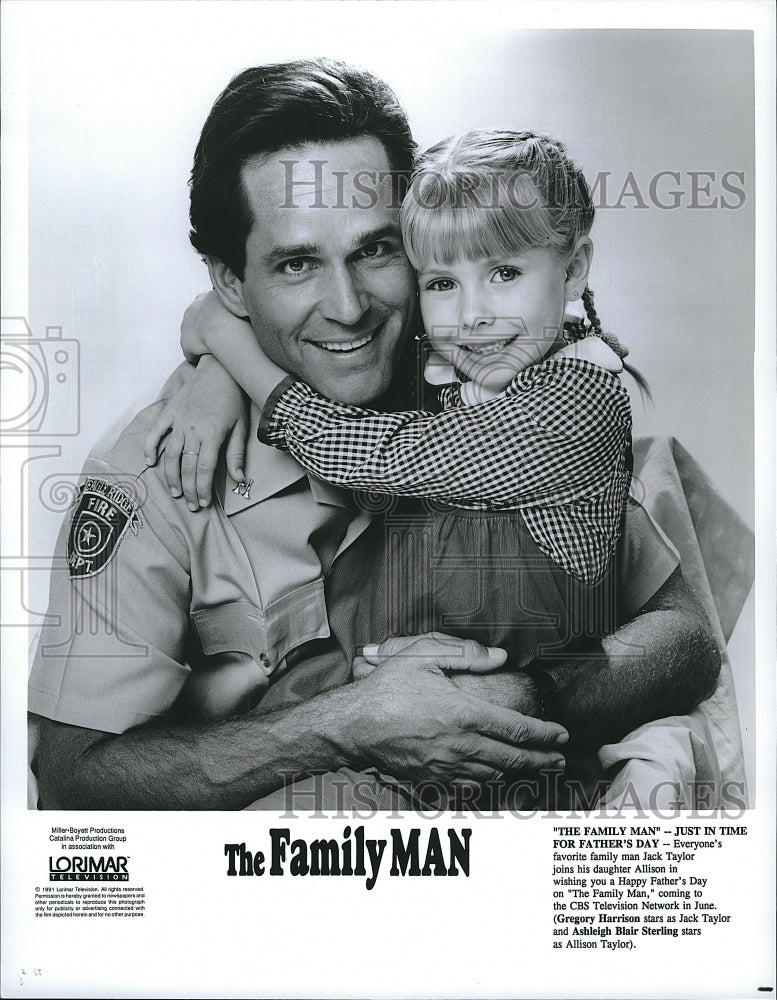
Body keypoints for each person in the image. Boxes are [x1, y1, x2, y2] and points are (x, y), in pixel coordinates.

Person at [28, 58, 720, 811]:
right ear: (229, 281)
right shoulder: (152, 473)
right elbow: (75, 776)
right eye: (296, 263)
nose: (349, 307)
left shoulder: (481, 376)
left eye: (376, 249)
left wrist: (523, 692)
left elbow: (684, 638)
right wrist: (347, 725)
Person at [151, 129, 642, 678]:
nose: (472, 315)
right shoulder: (455, 360)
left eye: (505, 273)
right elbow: (294, 319)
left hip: (500, 697)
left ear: (573, 270)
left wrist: (232, 345)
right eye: (440, 282)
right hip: (378, 685)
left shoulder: (576, 402)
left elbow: (379, 455)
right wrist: (219, 369)